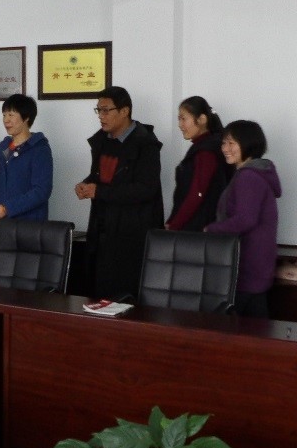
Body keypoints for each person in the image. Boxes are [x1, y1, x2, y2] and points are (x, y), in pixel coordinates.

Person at [75, 86, 163, 300]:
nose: (101, 116)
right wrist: (87, 184)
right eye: (98, 110)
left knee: (125, 297)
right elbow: (101, 176)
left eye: (106, 110)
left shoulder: (145, 144)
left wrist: (100, 192)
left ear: (124, 111)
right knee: (97, 292)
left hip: (131, 233)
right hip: (102, 229)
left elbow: (145, 189)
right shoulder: (102, 141)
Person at [205, 120, 280, 318]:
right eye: (224, 143)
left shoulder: (248, 177)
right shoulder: (253, 173)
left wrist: (210, 230)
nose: (225, 148)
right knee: (255, 325)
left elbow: (245, 220)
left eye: (231, 143)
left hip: (248, 263)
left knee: (235, 324)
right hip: (256, 263)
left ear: (248, 144)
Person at [0, 93, 53, 222]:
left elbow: (41, 191)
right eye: (4, 115)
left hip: (30, 224)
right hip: (4, 224)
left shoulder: (39, 149)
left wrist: (7, 208)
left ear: (26, 117)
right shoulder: (5, 148)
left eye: (11, 115)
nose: (6, 120)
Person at [165, 95, 227, 232]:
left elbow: (197, 194)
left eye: (183, 119)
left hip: (199, 230)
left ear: (202, 119)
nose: (180, 125)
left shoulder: (206, 151)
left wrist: (174, 225)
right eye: (179, 119)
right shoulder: (207, 146)